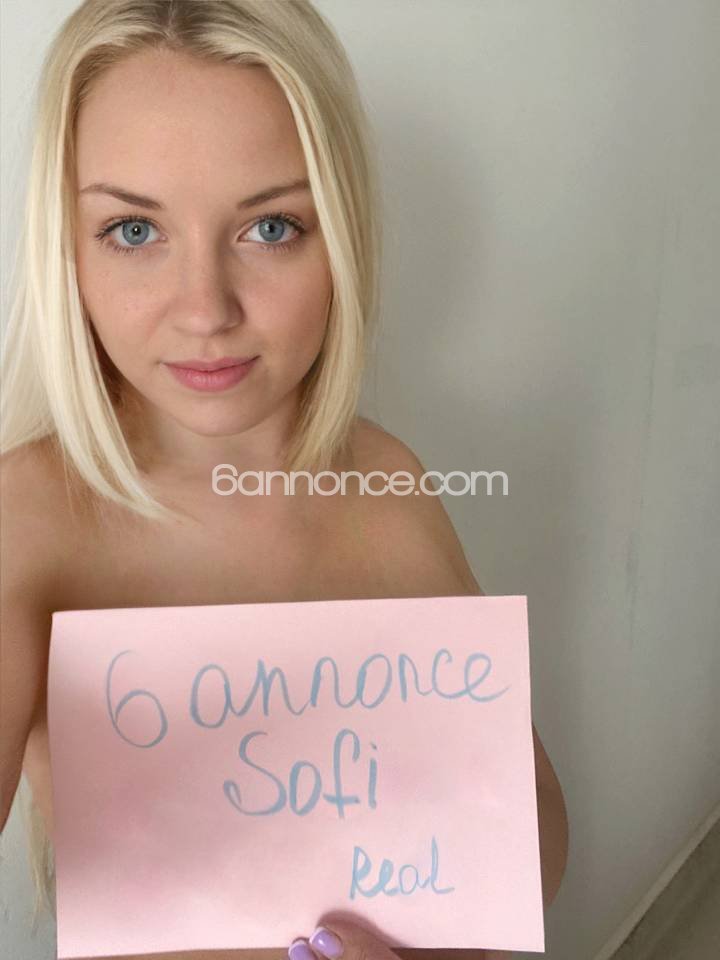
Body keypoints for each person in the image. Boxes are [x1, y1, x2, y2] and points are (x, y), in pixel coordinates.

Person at [0, 2, 569, 959]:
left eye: (270, 226)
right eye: (133, 230)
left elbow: (526, 838)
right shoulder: (26, 519)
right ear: (68, 250)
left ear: (341, 234)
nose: (205, 310)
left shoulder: (389, 481)